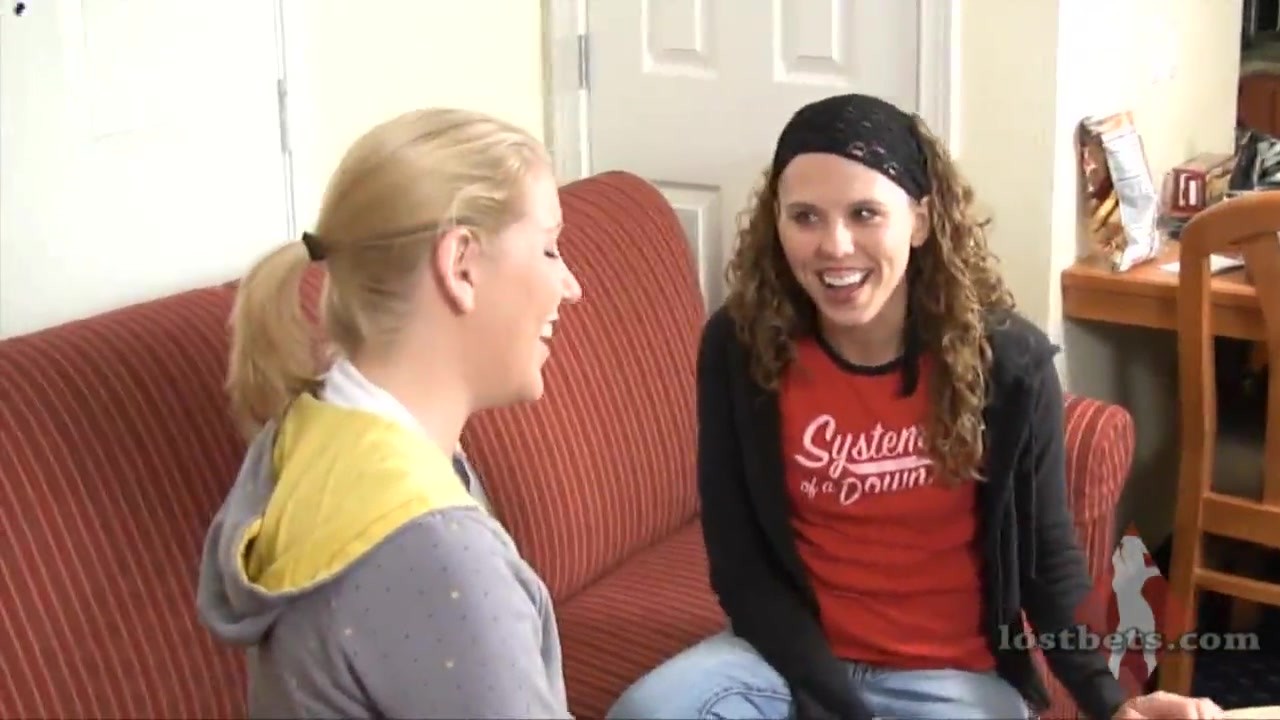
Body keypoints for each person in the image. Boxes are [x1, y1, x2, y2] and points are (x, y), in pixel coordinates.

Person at [605, 94, 1223, 720]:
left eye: (865, 213)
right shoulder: (739, 348)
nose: (834, 245)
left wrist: (1113, 703)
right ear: (777, 224)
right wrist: (833, 700)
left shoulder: (1008, 364)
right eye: (805, 216)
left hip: (951, 676)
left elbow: (1048, 565)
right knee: (648, 711)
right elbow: (740, 568)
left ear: (920, 221)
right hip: (787, 659)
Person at [194, 108, 582, 719]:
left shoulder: (311, 431)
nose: (572, 285)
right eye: (550, 248)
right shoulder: (438, 549)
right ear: (461, 265)